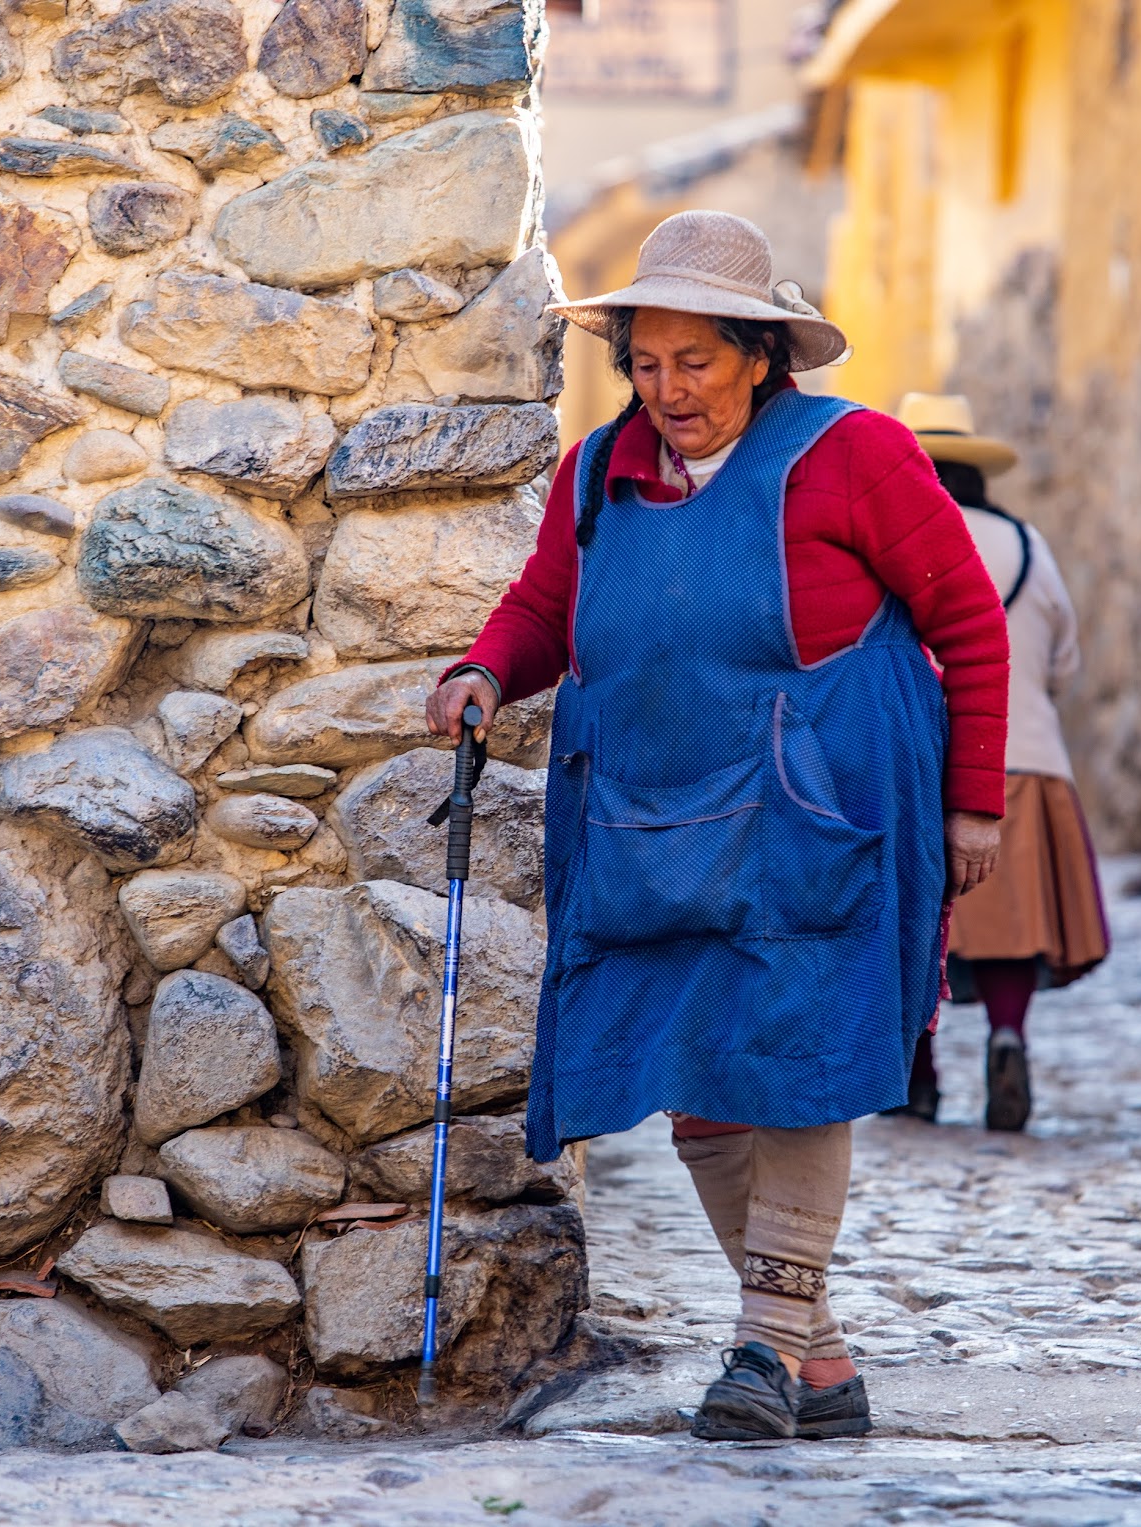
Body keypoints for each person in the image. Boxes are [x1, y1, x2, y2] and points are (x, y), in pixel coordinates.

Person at [424, 212, 1012, 1442]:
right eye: (644, 362)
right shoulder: (597, 471)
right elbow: (546, 605)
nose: (666, 389)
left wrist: (973, 802)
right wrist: (486, 670)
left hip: (821, 814)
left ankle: (759, 1343)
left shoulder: (857, 455)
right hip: (649, 814)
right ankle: (816, 1362)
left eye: (694, 362)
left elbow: (967, 623)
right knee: (697, 1082)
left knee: (795, 1065)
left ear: (758, 353)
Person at [893, 393, 1111, 1132]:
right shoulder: (1028, 546)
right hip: (1026, 756)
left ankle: (916, 1076)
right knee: (1012, 919)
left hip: (920, 761)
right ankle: (1007, 1035)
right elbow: (1062, 660)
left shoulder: (896, 539)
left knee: (916, 923)